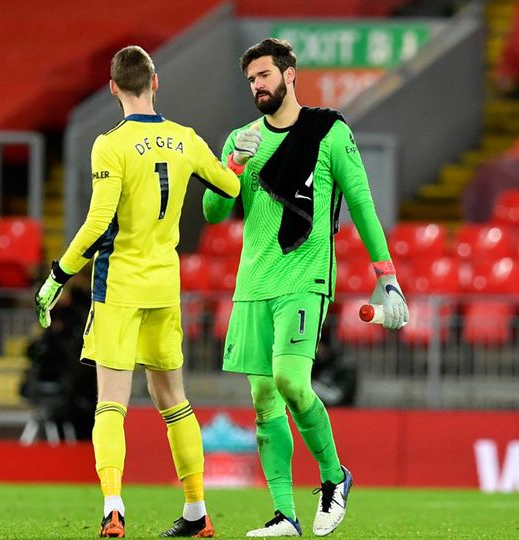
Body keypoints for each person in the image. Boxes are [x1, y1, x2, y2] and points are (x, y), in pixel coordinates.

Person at [202, 38, 409, 537]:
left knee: (292, 383)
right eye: (251, 79)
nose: (258, 86)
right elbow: (211, 215)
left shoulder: (328, 131)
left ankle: (336, 478)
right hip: (253, 284)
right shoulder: (241, 139)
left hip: (304, 277)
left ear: (290, 74)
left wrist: (390, 280)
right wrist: (229, 167)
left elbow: (361, 203)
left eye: (266, 75)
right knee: (263, 400)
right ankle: (284, 515)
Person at [35, 45, 240, 538]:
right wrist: (233, 160)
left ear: (112, 89)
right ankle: (197, 510)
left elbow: (98, 221)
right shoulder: (185, 139)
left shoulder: (111, 145)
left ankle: (113, 507)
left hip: (119, 287)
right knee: (175, 401)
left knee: (111, 403)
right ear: (156, 82)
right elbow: (230, 189)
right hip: (165, 287)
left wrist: (58, 275)